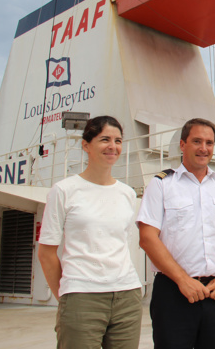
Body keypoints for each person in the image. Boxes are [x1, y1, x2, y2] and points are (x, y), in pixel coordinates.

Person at [136, 118, 215, 349]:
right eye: (197, 141)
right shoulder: (162, 184)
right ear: (183, 144)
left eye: (209, 142)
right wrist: (183, 280)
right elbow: (147, 238)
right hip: (174, 293)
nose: (203, 148)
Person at [38, 115, 143, 349]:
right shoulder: (64, 191)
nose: (112, 147)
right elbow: (46, 253)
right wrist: (66, 295)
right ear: (86, 145)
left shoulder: (127, 193)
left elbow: (121, 244)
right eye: (104, 139)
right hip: (81, 294)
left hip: (127, 294)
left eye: (118, 140)